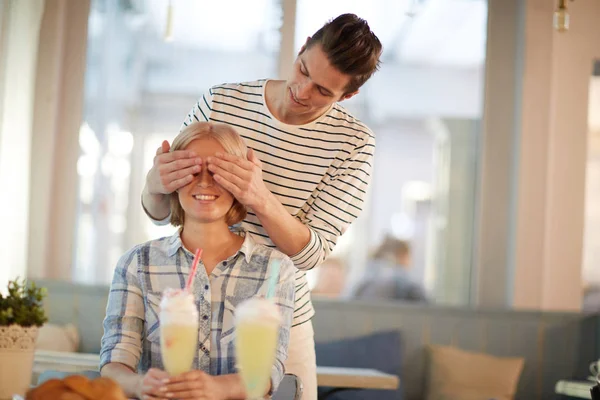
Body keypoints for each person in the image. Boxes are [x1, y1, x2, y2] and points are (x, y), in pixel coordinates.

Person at [141, 13, 382, 399]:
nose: (302, 91)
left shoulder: (353, 145)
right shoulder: (222, 101)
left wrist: (261, 198)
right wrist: (155, 183)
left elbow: (311, 255)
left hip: (276, 315)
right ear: (301, 48)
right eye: (303, 70)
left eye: (323, 90)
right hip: (192, 307)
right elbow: (164, 211)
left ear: (347, 96)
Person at [101, 122, 295, 400]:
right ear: (171, 178)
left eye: (219, 171)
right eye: (192, 171)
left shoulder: (275, 269)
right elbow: (114, 362)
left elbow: (268, 372)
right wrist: (138, 384)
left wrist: (218, 389)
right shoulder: (137, 263)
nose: (205, 182)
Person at [348, 235, 428, 302]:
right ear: (402, 255)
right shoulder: (404, 282)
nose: (411, 262)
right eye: (409, 257)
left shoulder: (364, 279)